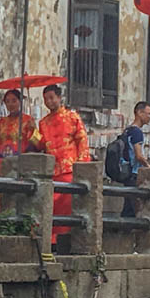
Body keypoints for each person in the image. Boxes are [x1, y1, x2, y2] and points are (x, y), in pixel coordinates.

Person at [38, 84, 90, 244]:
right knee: (50, 204)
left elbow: (82, 140)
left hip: (69, 166)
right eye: (46, 99)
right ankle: (51, 238)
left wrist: (82, 164)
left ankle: (64, 238)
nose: (49, 101)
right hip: (52, 169)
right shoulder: (43, 123)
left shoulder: (72, 117)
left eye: (52, 98)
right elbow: (41, 145)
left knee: (66, 204)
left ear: (59, 98)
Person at [0, 89, 39, 211]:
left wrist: (33, 131)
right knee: (0, 191)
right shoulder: (2, 121)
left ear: (20, 102)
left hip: (19, 162)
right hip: (2, 161)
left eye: (14, 101)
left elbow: (36, 144)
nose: (11, 104)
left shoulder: (28, 120)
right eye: (7, 101)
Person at [119, 101, 150, 217]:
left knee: (128, 204)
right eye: (148, 114)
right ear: (139, 113)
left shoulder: (127, 130)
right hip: (133, 172)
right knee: (133, 206)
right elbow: (138, 155)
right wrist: (148, 166)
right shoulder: (137, 132)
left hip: (126, 170)